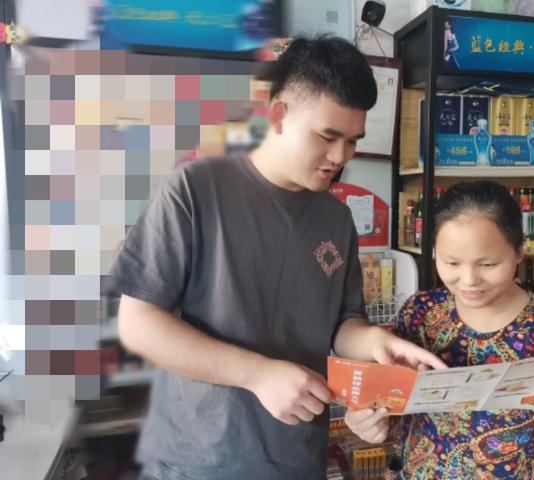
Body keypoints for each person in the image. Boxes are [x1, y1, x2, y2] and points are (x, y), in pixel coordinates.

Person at [110, 35, 446, 480]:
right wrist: (258, 375)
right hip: (199, 462)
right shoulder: (193, 190)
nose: (340, 156)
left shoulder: (335, 217)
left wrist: (374, 344)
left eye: (352, 141)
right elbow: (138, 324)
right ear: (279, 115)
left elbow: (343, 323)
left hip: (297, 458)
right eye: (328, 136)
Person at [345, 180, 534, 479]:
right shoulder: (421, 313)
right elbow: (395, 411)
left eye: (488, 264)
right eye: (451, 262)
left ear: (519, 251)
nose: (469, 280)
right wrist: (370, 420)